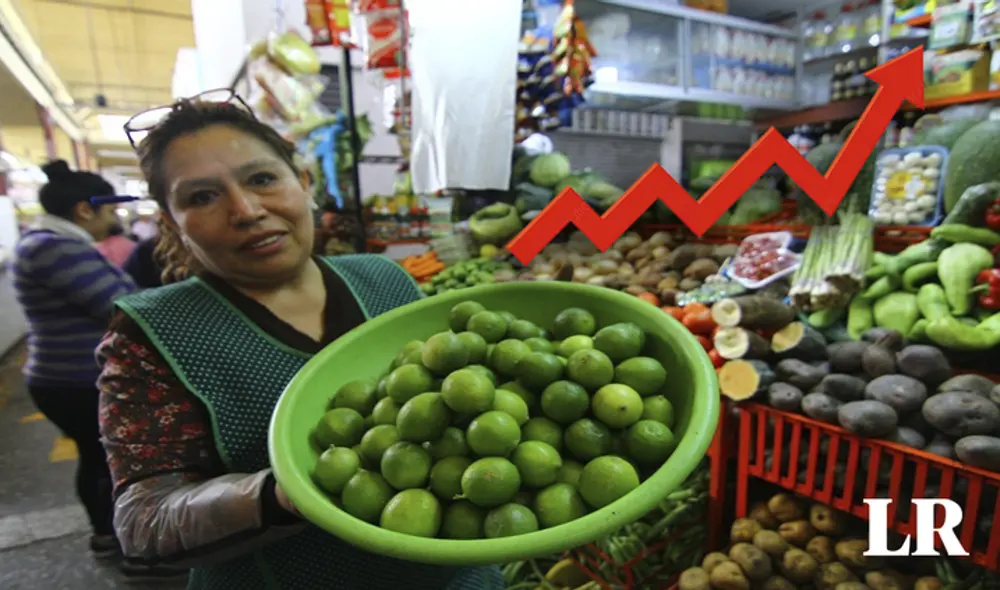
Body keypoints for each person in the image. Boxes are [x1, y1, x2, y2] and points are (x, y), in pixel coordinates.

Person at [96, 96, 503, 589]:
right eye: (202, 197)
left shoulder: (386, 279)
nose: (245, 210)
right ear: (170, 221)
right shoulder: (153, 333)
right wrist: (284, 494)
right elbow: (144, 520)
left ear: (303, 181)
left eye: (262, 179)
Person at [10, 160, 136, 560]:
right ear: (85, 210)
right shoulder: (54, 248)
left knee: (97, 457)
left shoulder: (47, 242)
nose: (114, 220)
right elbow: (121, 306)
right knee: (104, 461)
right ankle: (115, 541)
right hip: (74, 380)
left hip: (65, 378)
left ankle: (110, 536)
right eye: (111, 210)